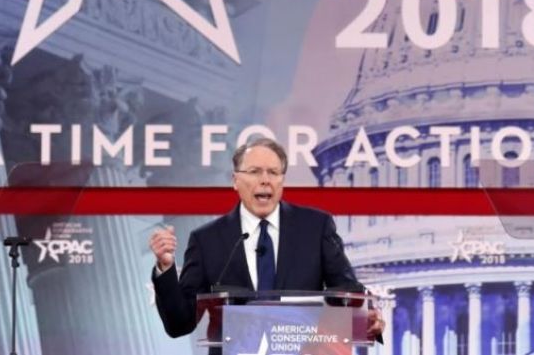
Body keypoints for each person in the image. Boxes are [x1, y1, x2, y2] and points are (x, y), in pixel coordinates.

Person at [149, 137, 385, 347]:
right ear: (235, 180)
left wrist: (366, 315)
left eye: (273, 172)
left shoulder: (316, 227)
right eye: (254, 172)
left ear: (282, 180)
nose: (265, 180)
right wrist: (165, 268)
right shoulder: (207, 240)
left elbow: (345, 289)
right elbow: (180, 323)